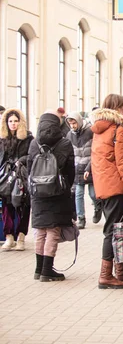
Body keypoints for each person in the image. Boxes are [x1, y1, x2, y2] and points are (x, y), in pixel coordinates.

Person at [90, 94, 123, 289]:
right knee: (113, 231)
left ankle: (121, 272)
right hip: (117, 187)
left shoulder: (98, 131)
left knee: (115, 230)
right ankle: (106, 275)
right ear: (116, 109)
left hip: (104, 186)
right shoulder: (118, 131)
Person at [28, 112, 75, 281]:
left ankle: (38, 269)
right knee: (53, 232)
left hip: (37, 194)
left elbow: (29, 169)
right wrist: (65, 188)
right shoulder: (65, 143)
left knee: (40, 231)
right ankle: (48, 270)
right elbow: (71, 171)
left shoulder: (34, 143)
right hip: (57, 192)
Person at [0, 108, 33, 251]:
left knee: (23, 205)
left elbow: (32, 155)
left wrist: (21, 160)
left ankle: (21, 237)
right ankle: (9, 237)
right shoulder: (2, 139)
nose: (13, 124)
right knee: (7, 206)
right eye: (10, 121)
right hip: (6, 177)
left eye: (15, 121)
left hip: (22, 176)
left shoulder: (28, 138)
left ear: (20, 122)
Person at [65, 111, 101, 229]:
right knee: (78, 194)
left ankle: (97, 207)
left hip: (89, 166)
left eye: (74, 123)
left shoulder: (90, 131)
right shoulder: (70, 135)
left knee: (93, 193)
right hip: (77, 168)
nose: (72, 126)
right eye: (70, 124)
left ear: (79, 121)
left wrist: (89, 167)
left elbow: (95, 151)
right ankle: (81, 218)